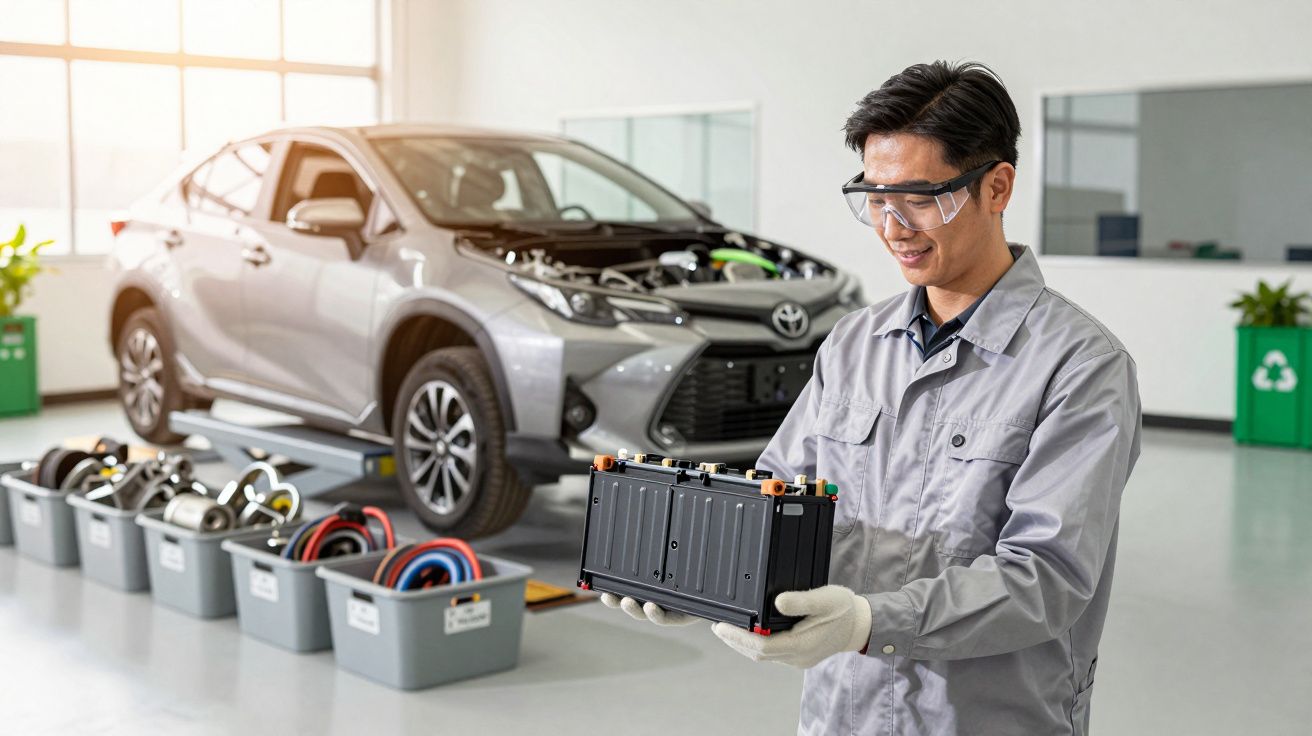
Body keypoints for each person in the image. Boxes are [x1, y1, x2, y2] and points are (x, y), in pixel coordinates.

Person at [602, 60, 1142, 735]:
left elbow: (1048, 576)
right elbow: (781, 494)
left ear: (997, 187)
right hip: (844, 715)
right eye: (875, 198)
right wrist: (702, 577)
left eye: (920, 197)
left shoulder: (1080, 367)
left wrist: (868, 621)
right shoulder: (854, 344)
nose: (893, 225)